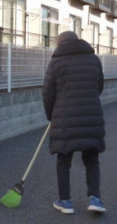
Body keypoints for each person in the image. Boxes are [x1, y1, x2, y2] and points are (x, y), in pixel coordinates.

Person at [42, 31, 106, 214]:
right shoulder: (93, 59)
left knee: (64, 160)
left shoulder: (56, 62)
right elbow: (98, 86)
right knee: (92, 159)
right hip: (92, 115)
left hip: (64, 118)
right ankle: (95, 199)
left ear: (60, 43)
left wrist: (51, 115)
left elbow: (47, 93)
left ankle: (65, 202)